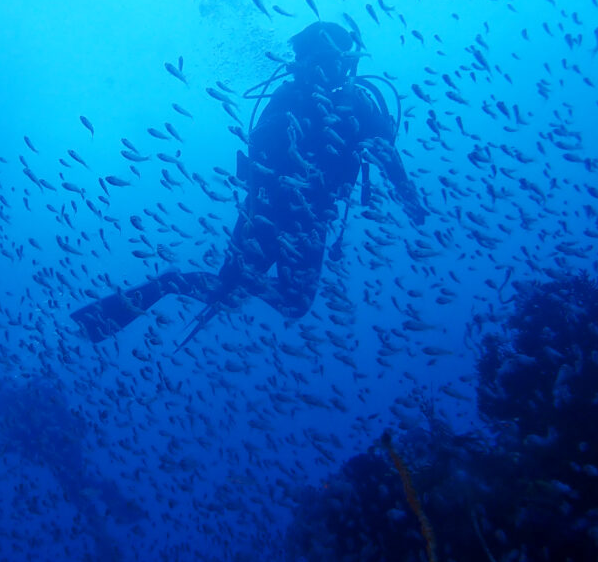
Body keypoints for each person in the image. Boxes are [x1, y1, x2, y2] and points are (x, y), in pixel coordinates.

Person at [71, 21, 427, 344]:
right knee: (246, 296)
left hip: (295, 216)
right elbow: (259, 154)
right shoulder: (299, 99)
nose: (329, 69)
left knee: (270, 300)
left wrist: (410, 200)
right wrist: (411, 205)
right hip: (275, 212)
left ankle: (179, 283)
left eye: (331, 61)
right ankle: (169, 284)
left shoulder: (351, 105)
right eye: (322, 60)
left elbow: (385, 154)